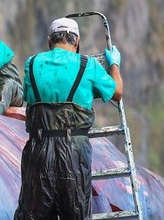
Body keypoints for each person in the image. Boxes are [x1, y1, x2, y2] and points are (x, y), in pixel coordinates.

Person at [14, 17, 123, 220]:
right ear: (77, 41)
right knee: (75, 212)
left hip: (38, 150)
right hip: (74, 152)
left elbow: (28, 98)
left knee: (31, 213)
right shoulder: (88, 65)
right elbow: (117, 92)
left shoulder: (32, 63)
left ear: (50, 40)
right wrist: (114, 64)